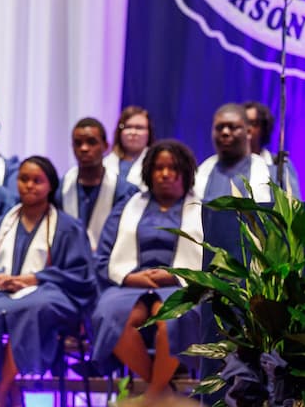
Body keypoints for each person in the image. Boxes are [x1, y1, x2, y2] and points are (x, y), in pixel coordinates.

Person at [0, 156, 97, 407]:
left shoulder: (68, 227)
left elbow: (81, 274)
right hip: (2, 293)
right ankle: (11, 393)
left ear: (50, 185)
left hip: (50, 294)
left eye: (37, 180)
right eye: (24, 179)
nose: (29, 185)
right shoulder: (0, 225)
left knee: (31, 308)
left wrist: (36, 278)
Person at [90, 141, 204, 396]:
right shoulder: (127, 207)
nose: (165, 174)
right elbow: (104, 257)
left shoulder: (202, 210)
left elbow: (212, 259)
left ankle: (152, 396)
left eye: (172, 168)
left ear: (185, 172)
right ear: (148, 173)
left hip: (181, 286)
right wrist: (130, 278)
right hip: (130, 285)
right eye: (158, 168)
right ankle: (161, 393)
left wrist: (176, 275)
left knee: (171, 319)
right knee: (111, 316)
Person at [60, 118, 134, 250]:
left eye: (91, 142)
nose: (84, 148)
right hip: (69, 266)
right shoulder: (60, 189)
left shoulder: (125, 191)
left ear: (106, 146)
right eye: (78, 143)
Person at [194, 104, 272, 202]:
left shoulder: (270, 172)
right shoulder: (201, 173)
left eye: (233, 127)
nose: (225, 132)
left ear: (248, 132)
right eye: (219, 127)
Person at [243, 101, 299, 195]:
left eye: (253, 123)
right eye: (243, 123)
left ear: (264, 128)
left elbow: (295, 204)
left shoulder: (279, 165)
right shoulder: (228, 165)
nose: (247, 128)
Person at [106, 106, 153, 190]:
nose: (133, 132)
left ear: (149, 132)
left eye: (139, 128)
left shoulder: (155, 164)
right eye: (128, 127)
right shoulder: (105, 163)